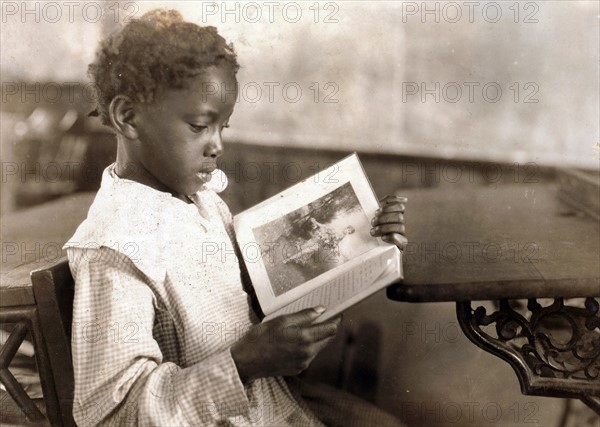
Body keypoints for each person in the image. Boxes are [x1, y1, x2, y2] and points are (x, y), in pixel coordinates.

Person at [65, 9, 408, 426]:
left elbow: (259, 297)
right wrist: (243, 363)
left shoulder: (201, 202)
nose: (217, 146)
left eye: (222, 128)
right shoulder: (115, 249)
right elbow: (112, 415)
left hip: (268, 405)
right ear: (128, 117)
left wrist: (363, 240)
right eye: (199, 126)